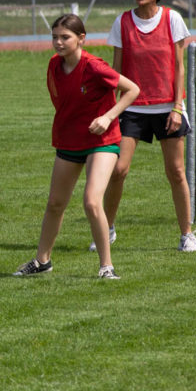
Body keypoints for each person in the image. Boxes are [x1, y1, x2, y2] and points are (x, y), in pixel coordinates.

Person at [14, 14, 140, 279]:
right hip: (69, 140)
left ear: (81, 39)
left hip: (101, 142)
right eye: (55, 37)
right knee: (55, 204)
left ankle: (106, 266)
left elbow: (132, 90)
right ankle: (42, 261)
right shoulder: (53, 65)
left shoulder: (94, 66)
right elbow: (60, 100)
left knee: (92, 202)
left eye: (65, 37)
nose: (58, 42)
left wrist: (107, 117)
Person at [99, 0, 196, 252]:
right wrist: (111, 108)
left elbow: (179, 66)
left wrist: (177, 107)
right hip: (132, 108)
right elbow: (116, 70)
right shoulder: (122, 22)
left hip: (168, 107)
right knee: (118, 170)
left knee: (176, 171)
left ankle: (187, 235)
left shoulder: (172, 19)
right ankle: (107, 229)